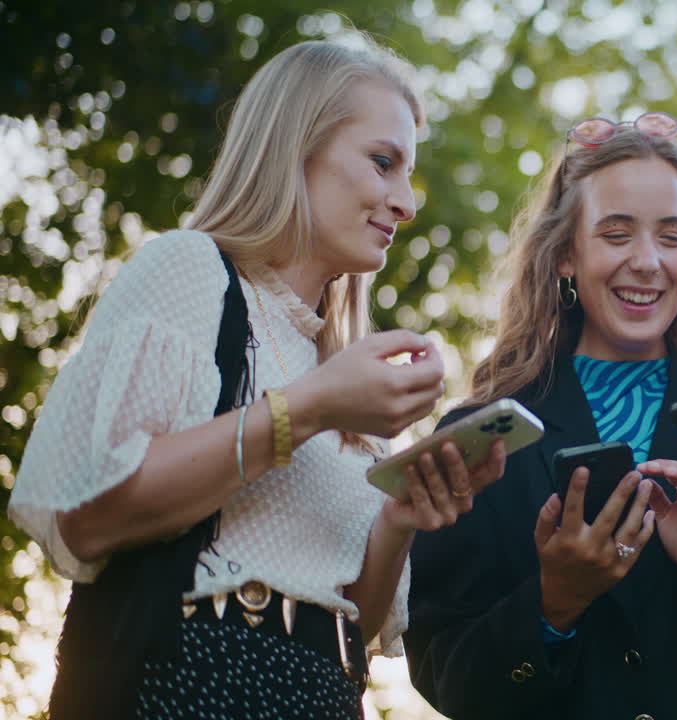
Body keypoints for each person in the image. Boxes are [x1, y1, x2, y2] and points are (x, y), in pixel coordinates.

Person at [9, 38, 504, 719]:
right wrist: (310, 410)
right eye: (383, 162)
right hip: (184, 682)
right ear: (296, 147)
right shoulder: (191, 271)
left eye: (408, 173)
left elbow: (351, 628)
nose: (405, 202)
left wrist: (400, 518)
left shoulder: (340, 369)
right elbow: (92, 516)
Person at [402, 115, 677, 719]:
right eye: (616, 234)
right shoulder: (481, 436)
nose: (647, 261)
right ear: (566, 254)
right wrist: (554, 602)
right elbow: (446, 677)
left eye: (671, 237)